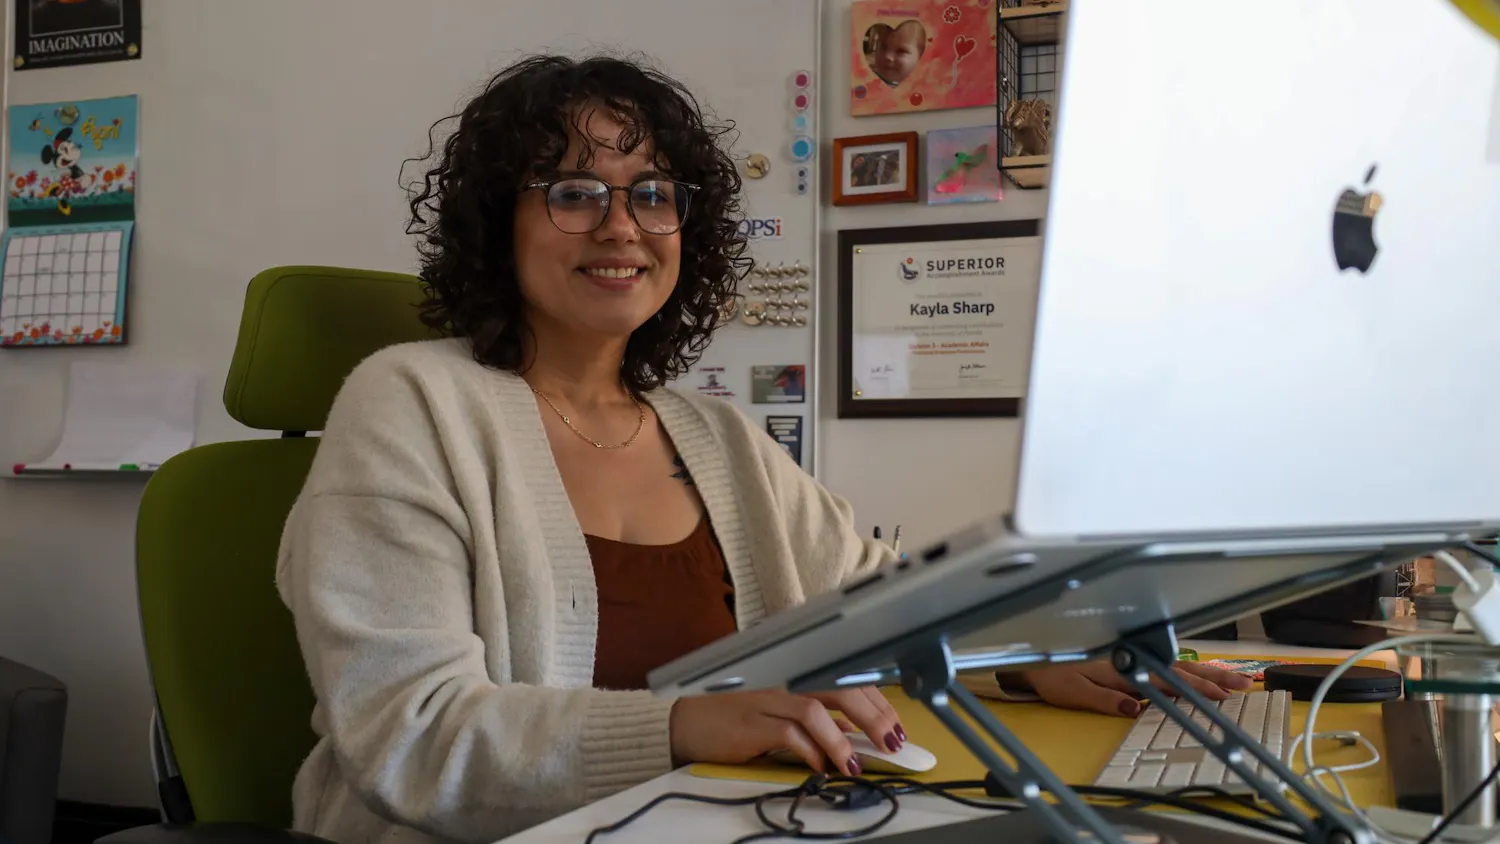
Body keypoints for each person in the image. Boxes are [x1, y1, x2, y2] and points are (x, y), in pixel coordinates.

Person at [274, 53, 1251, 844]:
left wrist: (1026, 656)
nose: (622, 224)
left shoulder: (715, 437)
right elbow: (411, 734)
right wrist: (683, 723)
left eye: (653, 192)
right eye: (575, 191)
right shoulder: (410, 405)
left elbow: (881, 601)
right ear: (500, 222)